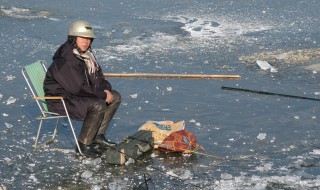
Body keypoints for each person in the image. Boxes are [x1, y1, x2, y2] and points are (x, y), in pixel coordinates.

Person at [44, 20, 121, 157]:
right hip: (61, 99)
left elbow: (98, 76)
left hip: (75, 95)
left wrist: (106, 90)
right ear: (73, 38)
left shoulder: (86, 56)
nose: (86, 42)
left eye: (88, 38)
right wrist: (102, 96)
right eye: (82, 38)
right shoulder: (68, 59)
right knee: (97, 104)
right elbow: (77, 87)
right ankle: (83, 145)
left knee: (115, 97)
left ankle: (97, 136)